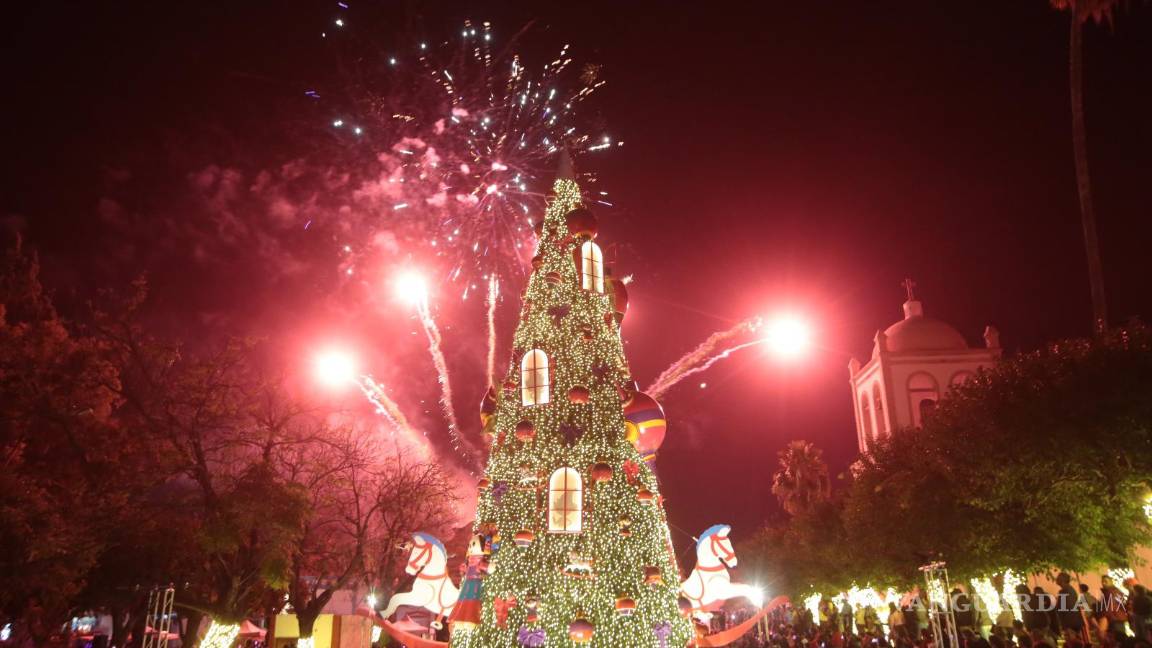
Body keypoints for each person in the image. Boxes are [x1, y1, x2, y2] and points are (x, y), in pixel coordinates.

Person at [1099, 576, 1129, 645]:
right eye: (1102, 581)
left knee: (1117, 640)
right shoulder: (1115, 591)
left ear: (1111, 582)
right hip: (1118, 618)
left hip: (1114, 618)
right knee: (1120, 640)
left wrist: (1103, 616)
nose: (1103, 583)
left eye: (1106, 581)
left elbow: (1110, 606)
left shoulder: (1111, 592)